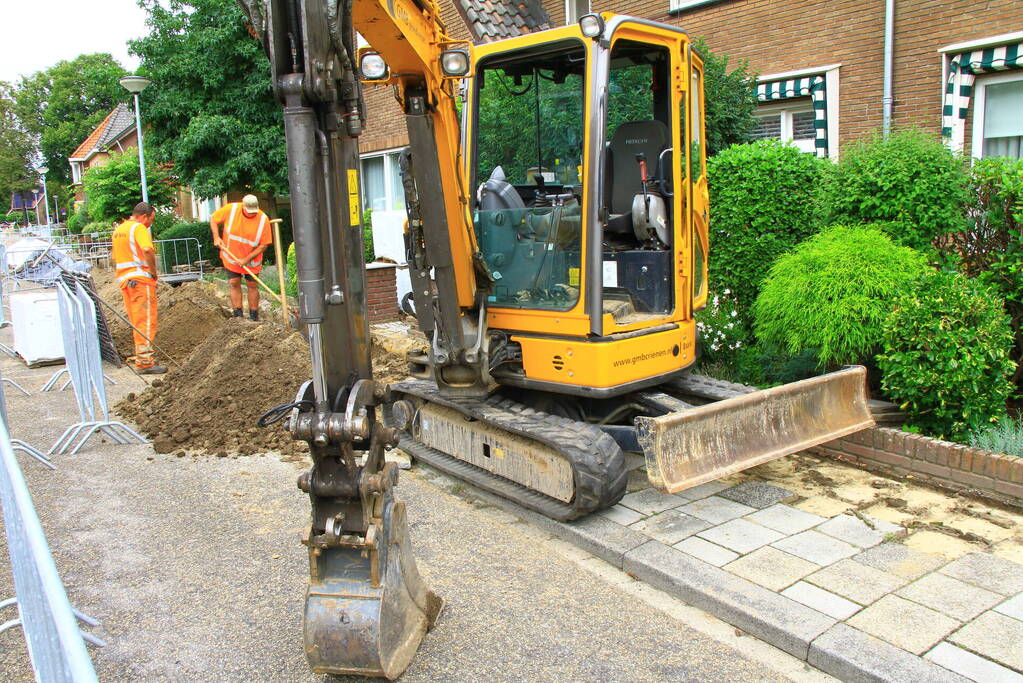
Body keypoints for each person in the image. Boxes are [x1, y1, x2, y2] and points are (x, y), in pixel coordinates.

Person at [111, 202, 166, 374]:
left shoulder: (120, 230)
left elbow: (114, 257)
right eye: (151, 219)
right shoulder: (139, 228)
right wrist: (153, 271)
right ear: (144, 216)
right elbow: (148, 250)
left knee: (137, 321)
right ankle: (145, 362)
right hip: (141, 280)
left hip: (126, 281)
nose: (151, 223)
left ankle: (142, 357)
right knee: (146, 321)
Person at [209, 194, 272, 321]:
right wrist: (216, 237)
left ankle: (254, 317)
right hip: (231, 257)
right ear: (243, 206)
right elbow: (213, 219)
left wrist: (246, 259)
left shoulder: (262, 219)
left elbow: (264, 244)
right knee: (234, 282)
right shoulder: (231, 210)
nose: (251, 214)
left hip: (252, 260)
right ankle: (238, 317)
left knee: (252, 284)